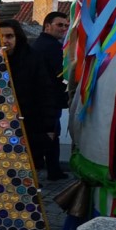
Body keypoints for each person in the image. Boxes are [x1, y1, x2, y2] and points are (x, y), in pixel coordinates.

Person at [1, 19, 57, 182]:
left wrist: (49, 127)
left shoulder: (33, 59)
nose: (5, 41)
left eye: (9, 36)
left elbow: (46, 92)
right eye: (1, 36)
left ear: (17, 37)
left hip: (30, 127)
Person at [31, 11, 70, 180]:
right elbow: (59, 74)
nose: (63, 28)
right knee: (52, 135)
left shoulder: (36, 44)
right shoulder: (53, 46)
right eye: (60, 25)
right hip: (50, 100)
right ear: (47, 26)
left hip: (39, 100)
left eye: (66, 25)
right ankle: (53, 170)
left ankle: (48, 169)